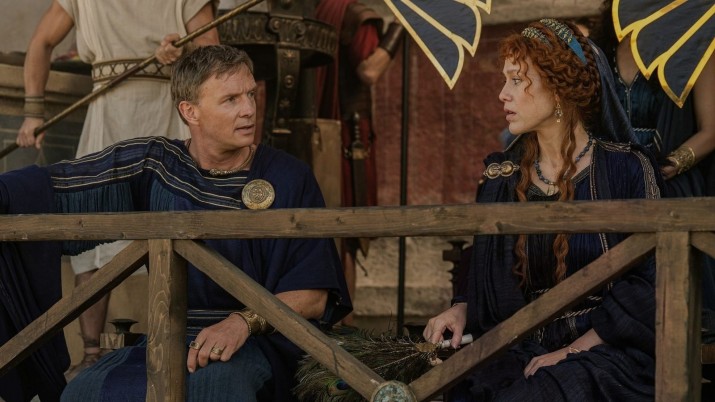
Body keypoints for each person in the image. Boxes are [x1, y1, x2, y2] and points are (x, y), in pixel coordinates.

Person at [0, 45, 351, 402]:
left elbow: (314, 295)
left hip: (258, 339)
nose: (248, 109)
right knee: (82, 393)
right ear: (190, 111)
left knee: (216, 391)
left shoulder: (289, 176)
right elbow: (60, 184)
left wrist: (240, 323)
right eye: (230, 99)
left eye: (250, 94)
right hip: (167, 338)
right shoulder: (156, 164)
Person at [423, 19, 662, 401]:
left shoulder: (627, 169)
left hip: (608, 350)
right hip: (519, 346)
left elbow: (651, 281)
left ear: (559, 87)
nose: (503, 94)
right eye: (505, 80)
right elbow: (482, 262)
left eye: (517, 80)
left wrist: (572, 351)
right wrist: (463, 305)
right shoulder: (502, 177)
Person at [15, 0, 220, 379]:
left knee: (179, 232)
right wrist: (33, 111)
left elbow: (212, 53)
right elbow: (42, 41)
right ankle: (90, 355)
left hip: (167, 114)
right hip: (107, 115)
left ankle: (183, 348)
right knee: (92, 234)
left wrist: (183, 54)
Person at [593, 0, 715, 310]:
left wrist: (672, 165)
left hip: (669, 182)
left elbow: (711, 130)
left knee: (672, 299)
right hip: (606, 180)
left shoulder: (696, 49)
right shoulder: (599, 51)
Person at [315, 0, 403, 323]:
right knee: (346, 229)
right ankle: (342, 322)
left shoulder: (315, 9)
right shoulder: (354, 14)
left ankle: (336, 319)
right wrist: (401, 28)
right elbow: (369, 70)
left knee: (334, 227)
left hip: (320, 132)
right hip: (347, 137)